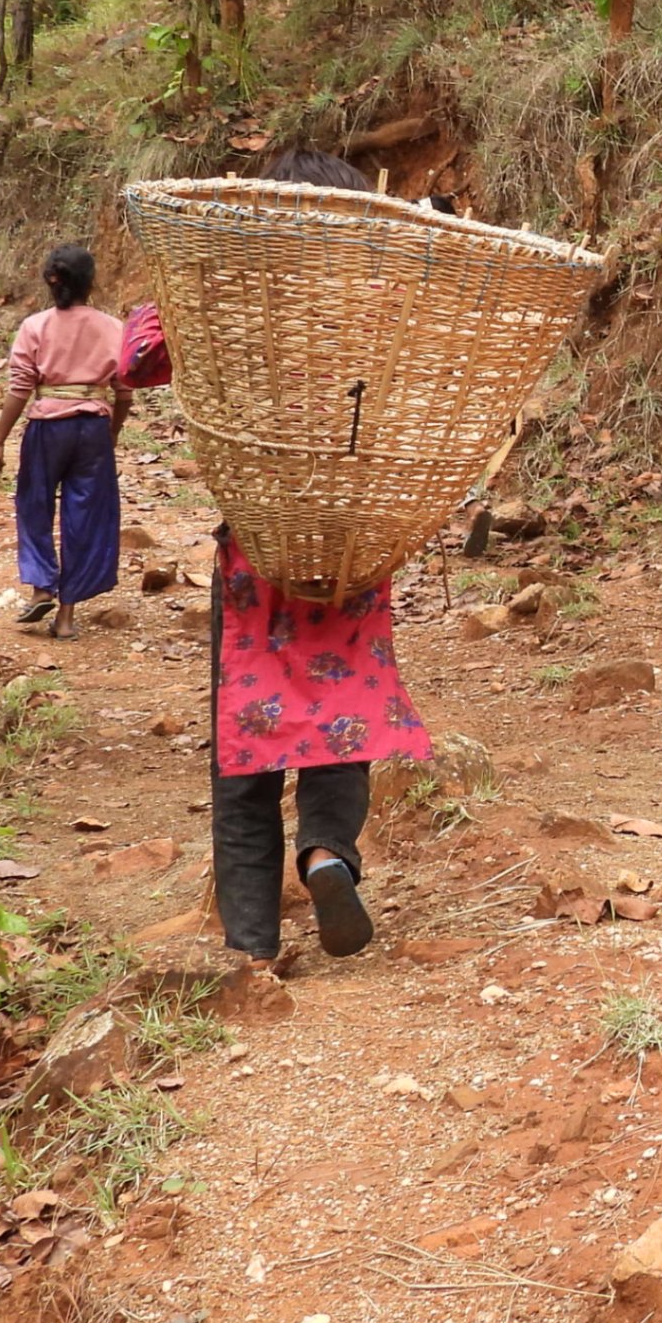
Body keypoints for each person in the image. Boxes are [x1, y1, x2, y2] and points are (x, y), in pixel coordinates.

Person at [207, 148, 434, 964]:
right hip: (353, 550)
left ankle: (251, 947)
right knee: (343, 726)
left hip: (255, 556)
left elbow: (140, 357)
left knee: (247, 749)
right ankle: (326, 852)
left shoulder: (233, 310)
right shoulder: (383, 310)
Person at [0, 243, 128, 640]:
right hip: (93, 429)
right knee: (85, 518)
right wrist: (110, 434)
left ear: (51, 281)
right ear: (90, 282)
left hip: (48, 429)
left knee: (34, 504)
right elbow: (125, 392)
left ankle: (42, 586)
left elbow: (19, 389)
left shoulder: (35, 327)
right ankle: (66, 618)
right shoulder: (114, 327)